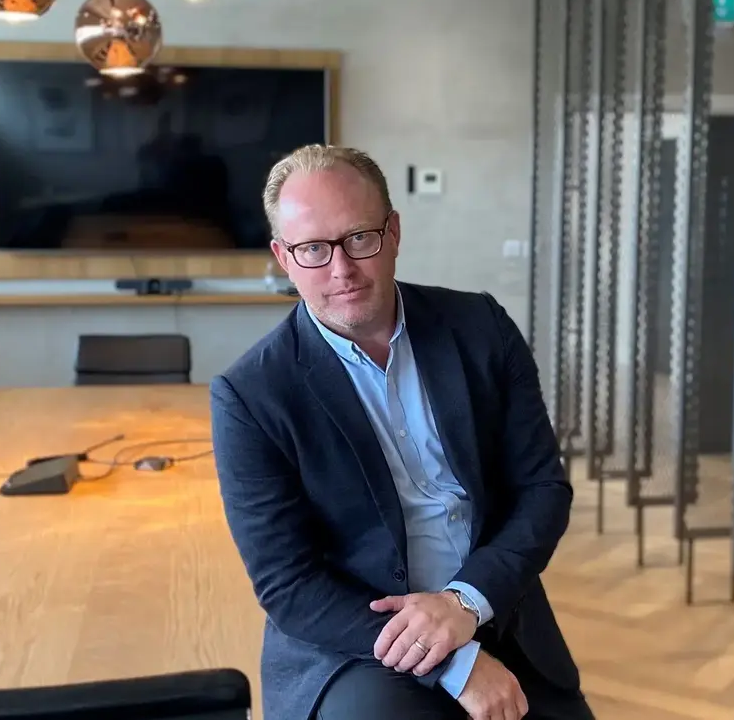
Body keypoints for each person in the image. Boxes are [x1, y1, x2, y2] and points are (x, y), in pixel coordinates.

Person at [210, 145, 593, 720]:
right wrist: (454, 662)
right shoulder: (250, 395)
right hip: (356, 645)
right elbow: (290, 584)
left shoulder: (480, 327)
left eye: (359, 237)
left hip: (491, 606)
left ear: (392, 232)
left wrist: (465, 604)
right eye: (313, 249)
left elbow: (543, 490)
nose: (341, 270)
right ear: (283, 258)